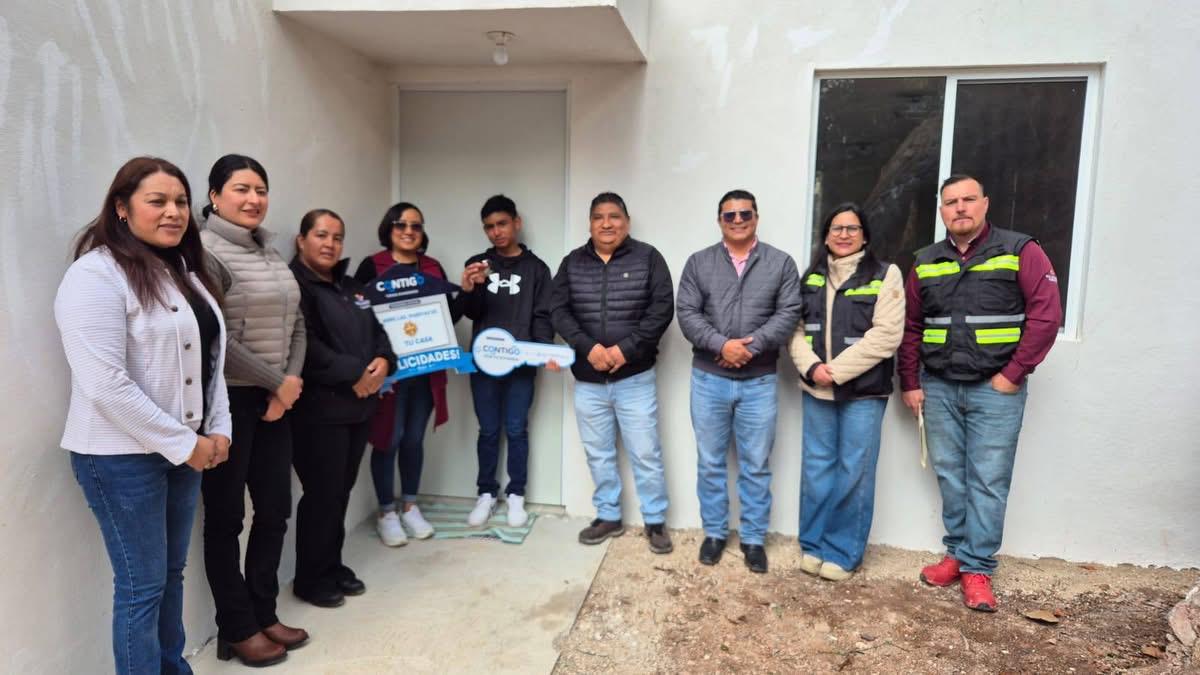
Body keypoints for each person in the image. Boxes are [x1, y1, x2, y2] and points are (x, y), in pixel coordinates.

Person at [55, 156, 230, 674]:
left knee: (170, 576)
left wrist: (218, 428)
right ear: (122, 208)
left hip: (183, 452)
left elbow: (211, 361)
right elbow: (105, 384)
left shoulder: (184, 272)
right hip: (120, 459)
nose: (173, 212)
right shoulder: (94, 275)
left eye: (180, 201)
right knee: (142, 587)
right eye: (157, 201)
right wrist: (187, 443)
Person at [898, 174, 1063, 612]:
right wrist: (910, 381)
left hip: (996, 390)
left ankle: (977, 568)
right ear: (942, 211)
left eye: (968, 199)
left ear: (985, 204)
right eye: (951, 202)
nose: (960, 208)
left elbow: (1046, 317)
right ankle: (956, 553)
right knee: (951, 475)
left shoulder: (1020, 251)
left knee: (988, 480)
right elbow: (911, 327)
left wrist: (1014, 373)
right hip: (939, 387)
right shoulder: (926, 261)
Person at [199, 154, 306, 666]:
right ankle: (236, 627)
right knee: (226, 519)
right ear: (215, 196)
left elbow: (297, 321)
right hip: (231, 400)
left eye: (260, 189)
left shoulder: (268, 250)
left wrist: (289, 383)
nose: (253, 199)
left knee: (276, 509)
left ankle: (264, 612)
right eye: (241, 189)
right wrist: (277, 383)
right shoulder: (203, 251)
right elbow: (215, 337)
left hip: (275, 399)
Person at [676, 189, 802, 573]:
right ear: (720, 221)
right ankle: (715, 533)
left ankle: (753, 539)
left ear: (756, 217)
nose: (737, 220)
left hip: (758, 381)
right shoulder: (699, 263)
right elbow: (687, 312)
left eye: (744, 213)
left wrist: (751, 347)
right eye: (729, 215)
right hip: (709, 379)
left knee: (756, 464)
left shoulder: (781, 263)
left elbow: (789, 312)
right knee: (710, 462)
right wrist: (722, 345)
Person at [550, 192, 675, 554]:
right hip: (588, 380)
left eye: (614, 216)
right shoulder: (572, 263)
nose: (607, 224)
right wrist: (588, 348)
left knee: (646, 452)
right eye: (598, 217)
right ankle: (608, 516)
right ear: (590, 224)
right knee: (598, 453)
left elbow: (661, 309)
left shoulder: (648, 258)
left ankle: (655, 520)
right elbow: (558, 311)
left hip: (634, 378)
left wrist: (625, 350)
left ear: (627, 222)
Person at [787, 203, 904, 581]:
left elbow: (886, 336)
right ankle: (813, 545)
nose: (844, 234)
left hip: (863, 394)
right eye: (836, 228)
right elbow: (794, 331)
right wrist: (812, 368)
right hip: (816, 389)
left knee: (855, 471)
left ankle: (842, 551)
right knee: (816, 468)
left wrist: (834, 372)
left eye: (852, 228)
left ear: (864, 236)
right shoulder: (811, 277)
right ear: (825, 236)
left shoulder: (886, 275)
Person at [289, 209, 396, 608]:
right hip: (320, 412)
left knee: (340, 493)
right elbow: (307, 346)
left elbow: (381, 333)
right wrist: (356, 374)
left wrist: (383, 361)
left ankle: (330, 565)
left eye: (337, 237)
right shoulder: (295, 286)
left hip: (359, 409)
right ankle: (310, 578)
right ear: (301, 240)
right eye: (321, 235)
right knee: (321, 494)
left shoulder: (353, 287)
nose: (330, 244)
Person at [355, 201, 461, 546]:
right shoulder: (372, 265)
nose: (409, 231)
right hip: (389, 374)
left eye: (416, 225)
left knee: (414, 439)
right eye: (401, 224)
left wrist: (466, 290)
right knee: (388, 438)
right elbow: (359, 316)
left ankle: (410, 506)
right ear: (389, 228)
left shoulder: (432, 267)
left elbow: (448, 316)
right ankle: (386, 512)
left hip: (425, 373)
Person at [459, 195, 554, 528]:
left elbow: (543, 316)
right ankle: (486, 493)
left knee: (516, 429)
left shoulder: (537, 269)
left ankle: (517, 495)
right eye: (489, 227)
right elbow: (471, 312)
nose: (496, 232)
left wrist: (544, 352)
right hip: (483, 363)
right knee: (487, 430)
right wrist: (470, 287)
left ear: (517, 223)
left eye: (501, 224)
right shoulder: (477, 264)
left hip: (521, 365)